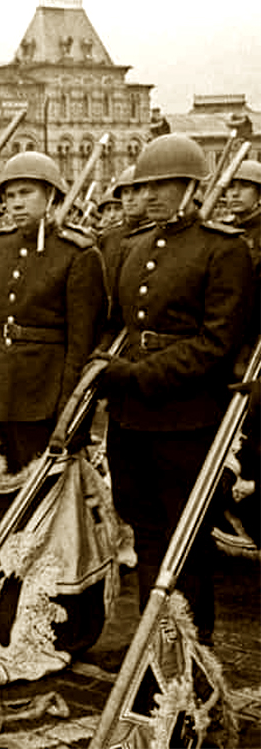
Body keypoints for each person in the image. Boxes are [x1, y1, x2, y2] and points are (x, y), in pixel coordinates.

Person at [95, 133, 254, 645]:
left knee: (187, 538)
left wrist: (142, 375)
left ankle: (188, 651)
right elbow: (118, 327)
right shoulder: (134, 246)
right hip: (131, 417)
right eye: (147, 184)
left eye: (167, 184)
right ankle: (150, 644)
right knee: (146, 533)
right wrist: (108, 370)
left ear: (192, 185)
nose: (154, 194)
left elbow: (217, 342)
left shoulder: (223, 249)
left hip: (186, 415)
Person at [0, 152, 106, 473]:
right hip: (0, 387)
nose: (16, 203)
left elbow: (82, 340)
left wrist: (69, 404)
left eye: (26, 193)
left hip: (45, 392)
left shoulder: (78, 253)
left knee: (45, 487)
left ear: (51, 196)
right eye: (10, 195)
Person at [98, 165, 150, 296]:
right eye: (125, 192)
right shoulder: (107, 237)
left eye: (136, 191)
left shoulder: (161, 233)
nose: (129, 198)